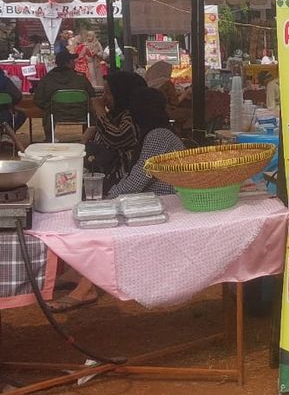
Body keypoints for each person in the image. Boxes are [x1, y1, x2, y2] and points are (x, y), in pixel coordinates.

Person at [49, 88, 184, 313]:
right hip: (147, 199)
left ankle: (87, 286)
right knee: (99, 218)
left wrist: (109, 199)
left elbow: (140, 177)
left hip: (164, 201)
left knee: (108, 227)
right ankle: (82, 271)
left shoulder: (158, 135)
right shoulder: (147, 133)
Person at [107, 87, 186, 197]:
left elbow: (138, 179)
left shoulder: (159, 136)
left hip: (166, 199)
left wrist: (110, 196)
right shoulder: (157, 133)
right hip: (160, 198)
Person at [82, 71, 147, 193]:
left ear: (122, 94)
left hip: (121, 181)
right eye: (104, 92)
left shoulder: (133, 118)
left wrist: (100, 111)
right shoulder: (115, 115)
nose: (104, 98)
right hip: (104, 176)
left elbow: (116, 139)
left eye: (109, 93)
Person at [33, 50, 95, 142]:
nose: (74, 62)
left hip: (55, 114)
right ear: (67, 63)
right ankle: (90, 139)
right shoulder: (81, 78)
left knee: (48, 110)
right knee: (93, 110)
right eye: (72, 60)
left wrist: (48, 106)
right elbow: (92, 95)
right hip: (81, 114)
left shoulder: (47, 79)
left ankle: (50, 138)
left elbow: (38, 99)